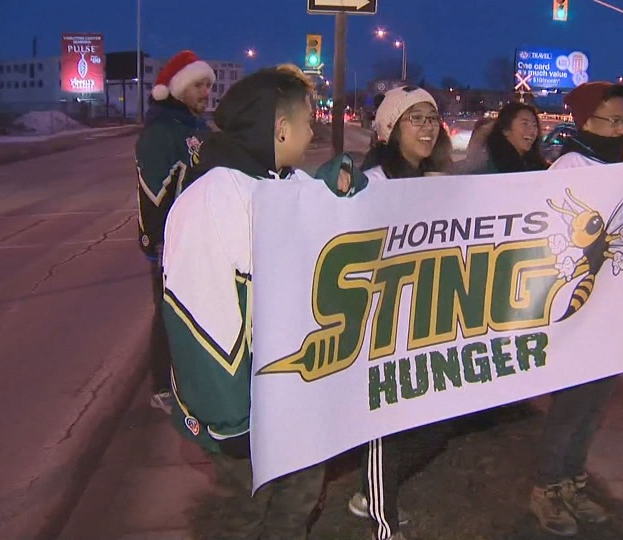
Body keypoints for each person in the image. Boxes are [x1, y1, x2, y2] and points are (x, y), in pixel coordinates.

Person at [160, 64, 356, 540]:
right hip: (242, 411)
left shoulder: (274, 182)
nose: (313, 131)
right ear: (281, 128)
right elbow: (199, 316)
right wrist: (229, 421)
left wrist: (339, 181)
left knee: (300, 495)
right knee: (244, 515)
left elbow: (310, 204)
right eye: (308, 120)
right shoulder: (216, 198)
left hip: (286, 396)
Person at [526, 81, 623, 537]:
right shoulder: (572, 167)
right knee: (571, 407)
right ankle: (546, 487)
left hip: (610, 316)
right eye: (612, 121)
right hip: (578, 317)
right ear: (585, 122)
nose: (622, 130)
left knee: (594, 407)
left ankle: (572, 480)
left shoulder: (620, 168)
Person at [341, 85, 453, 540]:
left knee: (434, 428)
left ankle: (369, 494)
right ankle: (381, 524)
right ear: (390, 128)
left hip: (422, 321)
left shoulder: (435, 181)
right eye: (416, 119)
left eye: (432, 118)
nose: (427, 128)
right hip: (381, 325)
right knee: (387, 425)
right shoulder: (374, 184)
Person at [135, 49, 214, 413]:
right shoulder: (160, 133)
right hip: (172, 242)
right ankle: (162, 387)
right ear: (179, 88)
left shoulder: (198, 127)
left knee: (198, 312)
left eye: (208, 86)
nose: (205, 93)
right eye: (199, 85)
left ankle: (190, 379)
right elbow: (155, 195)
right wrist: (158, 242)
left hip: (203, 238)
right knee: (170, 314)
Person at [473, 101, 548, 174]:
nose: (532, 131)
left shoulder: (535, 167)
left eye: (535, 125)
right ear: (506, 129)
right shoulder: (491, 167)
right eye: (524, 123)